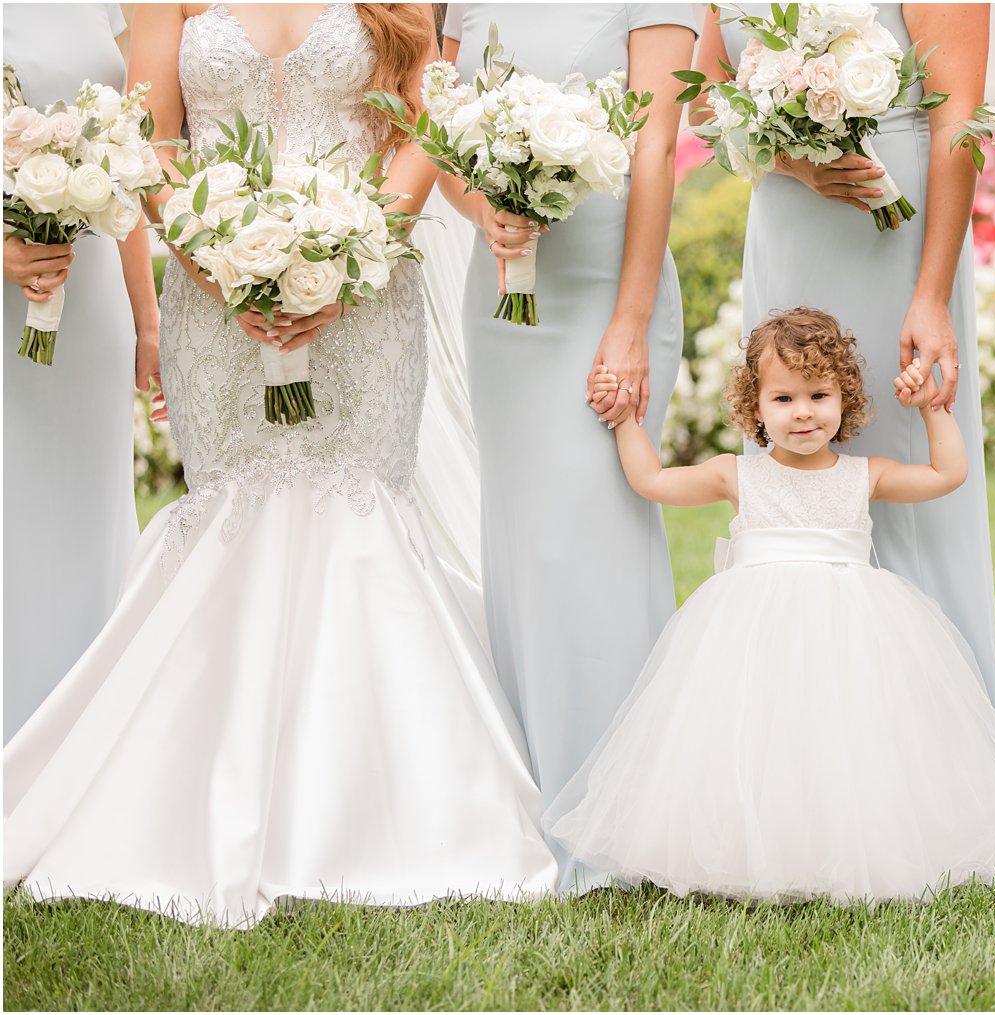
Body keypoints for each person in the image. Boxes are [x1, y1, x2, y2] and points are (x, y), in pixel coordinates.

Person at [4, 3, 557, 928]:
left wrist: (349, 261)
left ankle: (378, 805)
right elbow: (154, 136)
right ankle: (197, 795)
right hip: (209, 297)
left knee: (358, 508)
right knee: (236, 512)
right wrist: (221, 266)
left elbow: (422, 124)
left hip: (368, 288)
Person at [545, 308, 995, 902]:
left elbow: (948, 473)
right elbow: (652, 481)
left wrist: (933, 408)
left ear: (844, 399)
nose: (803, 413)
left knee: (848, 735)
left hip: (853, 628)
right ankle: (758, 845)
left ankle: (847, 840)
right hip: (752, 632)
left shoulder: (866, 475)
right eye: (784, 398)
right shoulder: (735, 475)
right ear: (756, 407)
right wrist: (624, 421)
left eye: (819, 394)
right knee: (758, 737)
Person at [692, 3, 995, 719]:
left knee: (906, 473)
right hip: (788, 221)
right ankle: (806, 734)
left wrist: (931, 295)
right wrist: (791, 160)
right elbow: (704, 100)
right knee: (795, 481)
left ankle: (946, 739)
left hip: (894, 236)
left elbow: (958, 118)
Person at [438, 4, 697, 892]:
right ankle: (539, 798)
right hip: (503, 296)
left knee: (594, 538)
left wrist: (629, 324)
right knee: (525, 542)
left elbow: (657, 149)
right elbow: (440, 132)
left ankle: (629, 814)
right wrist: (485, 212)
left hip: (602, 291)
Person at [2, 4, 163, 741]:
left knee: (88, 516)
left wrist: (147, 316)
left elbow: (124, 156)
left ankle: (81, 756)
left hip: (90, 302)